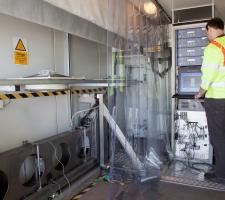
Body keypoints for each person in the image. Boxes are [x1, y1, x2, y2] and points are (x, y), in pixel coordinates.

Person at [195, 17, 225, 184]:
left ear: (211, 29)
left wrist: (200, 92)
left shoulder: (213, 47)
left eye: (206, 31)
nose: (207, 35)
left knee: (218, 137)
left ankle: (221, 174)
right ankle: (222, 167)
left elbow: (209, 75)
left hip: (217, 99)